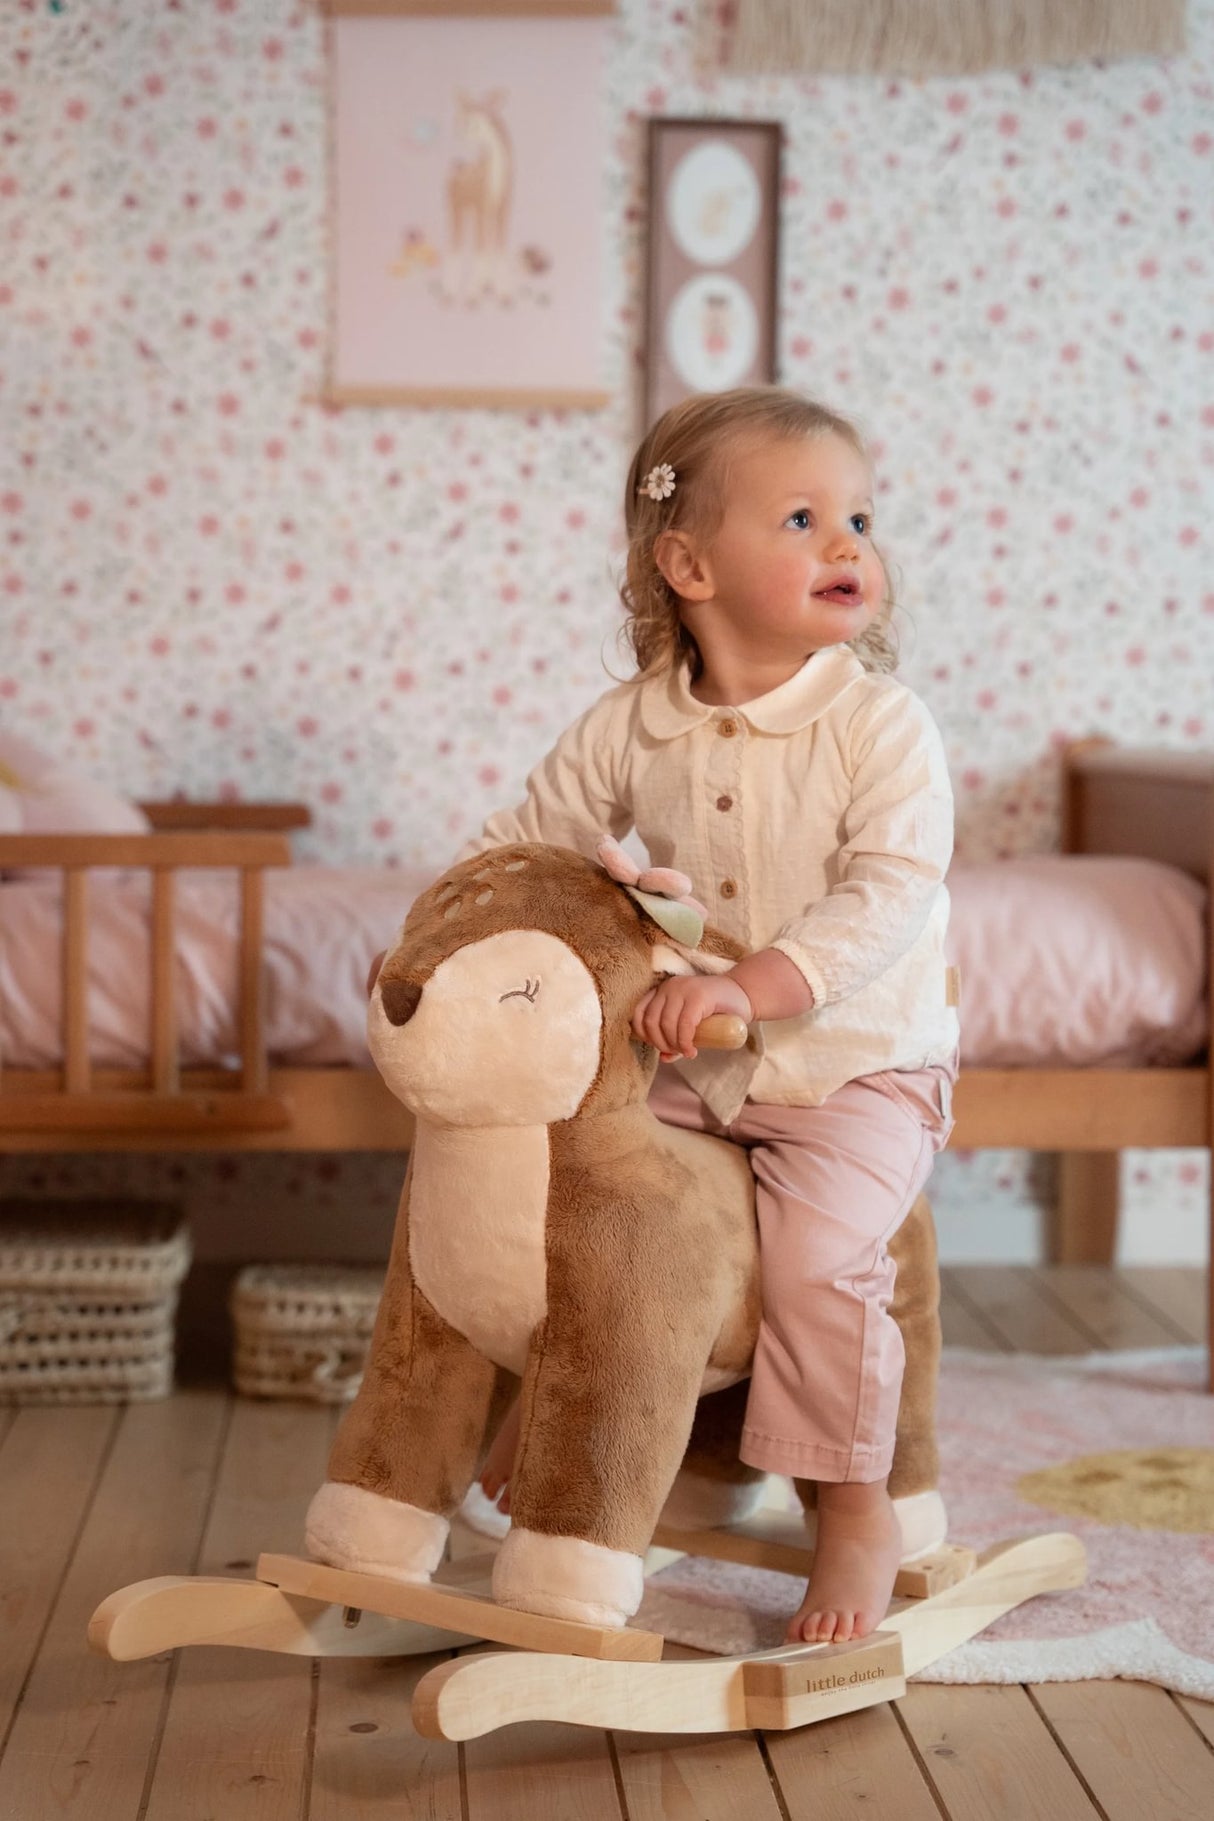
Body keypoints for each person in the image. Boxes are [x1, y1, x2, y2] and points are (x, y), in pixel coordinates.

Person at [460, 386, 959, 1645]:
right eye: (801, 517)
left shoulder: (878, 726)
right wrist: (533, 918)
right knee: (589, 1183)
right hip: (704, 1062)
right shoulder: (635, 724)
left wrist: (749, 985)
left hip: (855, 1071)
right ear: (687, 564)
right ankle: (560, 1397)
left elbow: (890, 893)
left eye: (857, 515)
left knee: (813, 1262)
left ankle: (850, 1504)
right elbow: (527, 845)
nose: (848, 543)